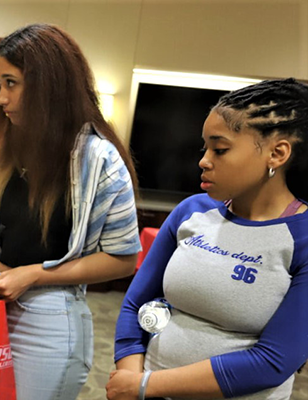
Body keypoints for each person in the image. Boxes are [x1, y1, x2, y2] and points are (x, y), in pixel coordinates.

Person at [0, 23, 141, 400]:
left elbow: (123, 260)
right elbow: (8, 243)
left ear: (48, 86)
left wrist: (33, 276)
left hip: (47, 321)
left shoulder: (99, 160)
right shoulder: (18, 147)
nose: (1, 98)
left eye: (11, 83)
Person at [109, 78, 308, 400]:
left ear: (277, 153)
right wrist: (131, 377)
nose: (203, 160)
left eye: (220, 149)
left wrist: (145, 385)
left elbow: (275, 360)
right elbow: (135, 304)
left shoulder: (302, 237)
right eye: (205, 148)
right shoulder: (192, 210)